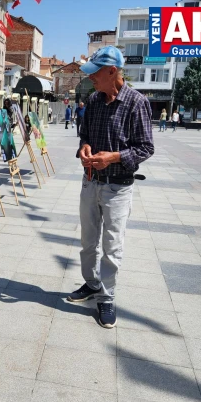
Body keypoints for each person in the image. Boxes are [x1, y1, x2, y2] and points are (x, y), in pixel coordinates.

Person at [70, 45, 154, 329]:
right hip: (91, 182)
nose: (91, 78)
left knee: (112, 246)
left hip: (118, 187)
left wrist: (114, 157)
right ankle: (92, 284)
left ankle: (107, 298)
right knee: (87, 241)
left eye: (95, 73)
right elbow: (84, 135)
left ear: (112, 71)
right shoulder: (93, 101)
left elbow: (145, 148)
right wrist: (85, 148)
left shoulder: (137, 103)